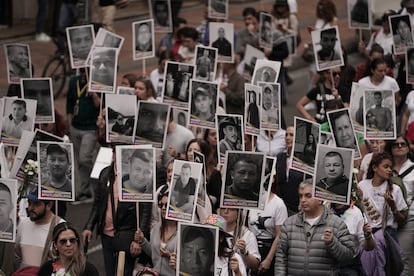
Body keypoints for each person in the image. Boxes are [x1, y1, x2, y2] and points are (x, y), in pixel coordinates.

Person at [83, 159, 152, 276]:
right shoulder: (105, 173)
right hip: (106, 234)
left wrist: (138, 240)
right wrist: (89, 226)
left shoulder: (138, 175)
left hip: (127, 235)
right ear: (113, 154)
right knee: (110, 272)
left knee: (123, 273)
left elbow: (145, 210)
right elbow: (98, 203)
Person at [275, 179, 355, 275]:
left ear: (320, 198)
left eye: (308, 196)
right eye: (301, 196)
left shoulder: (336, 224)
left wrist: (332, 243)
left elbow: (349, 256)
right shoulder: (289, 224)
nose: (303, 200)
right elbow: (281, 257)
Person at [66, 68, 100, 201]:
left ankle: (99, 182)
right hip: (75, 127)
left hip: (90, 128)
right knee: (79, 161)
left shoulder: (97, 85)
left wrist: (94, 95)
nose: (84, 75)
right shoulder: (73, 82)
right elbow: (69, 103)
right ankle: (84, 190)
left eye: (87, 72)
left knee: (84, 158)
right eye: (82, 72)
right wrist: (69, 124)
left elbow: (100, 106)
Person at [15, 189, 63, 270]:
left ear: (49, 205)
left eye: (36, 204)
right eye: (29, 203)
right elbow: (17, 253)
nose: (30, 208)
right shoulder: (23, 223)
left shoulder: (60, 227)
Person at [137, 188, 177, 276]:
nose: (163, 208)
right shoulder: (156, 228)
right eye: (161, 205)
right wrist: (142, 241)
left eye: (167, 205)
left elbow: (187, 264)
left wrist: (169, 256)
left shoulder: (182, 232)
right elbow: (153, 253)